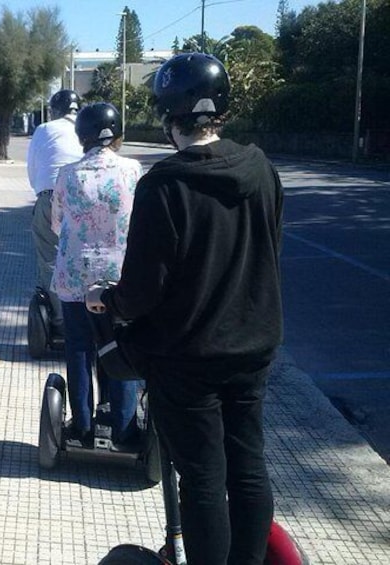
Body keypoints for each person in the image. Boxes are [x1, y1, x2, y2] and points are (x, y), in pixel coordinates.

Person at [86, 53, 283, 564]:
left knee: (202, 479)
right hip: (254, 345)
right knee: (248, 466)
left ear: (169, 116)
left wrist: (106, 299)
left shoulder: (166, 184)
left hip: (189, 357)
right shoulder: (260, 167)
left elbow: (143, 289)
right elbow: (269, 248)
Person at [50, 102, 143, 449]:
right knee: (121, 347)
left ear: (81, 137)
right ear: (117, 134)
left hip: (75, 276)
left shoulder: (67, 174)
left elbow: (57, 223)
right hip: (120, 278)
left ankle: (83, 427)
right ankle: (124, 429)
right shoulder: (134, 171)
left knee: (78, 349)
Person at [27, 89, 83, 338]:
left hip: (51, 196)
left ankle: (61, 319)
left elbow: (33, 170)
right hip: (85, 196)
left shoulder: (45, 129)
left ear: (55, 110)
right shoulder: (87, 125)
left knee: (50, 258)